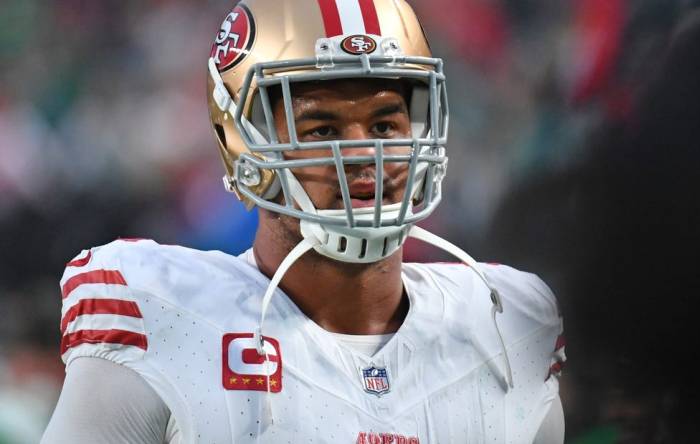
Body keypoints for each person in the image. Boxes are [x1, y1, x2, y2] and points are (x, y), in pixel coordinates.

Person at [42, 1, 565, 442]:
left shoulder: (507, 326)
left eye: (386, 122)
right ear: (241, 142)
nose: (365, 154)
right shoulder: (164, 318)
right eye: (320, 128)